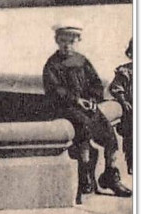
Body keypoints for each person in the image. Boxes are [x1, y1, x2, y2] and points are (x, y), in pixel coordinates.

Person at [42, 23, 131, 198]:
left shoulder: (82, 61)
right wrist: (76, 100)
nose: (67, 45)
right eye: (63, 41)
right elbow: (54, 89)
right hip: (66, 109)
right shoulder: (52, 65)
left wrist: (92, 99)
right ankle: (85, 178)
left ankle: (110, 175)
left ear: (78, 41)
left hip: (87, 107)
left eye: (71, 41)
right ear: (56, 41)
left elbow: (96, 83)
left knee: (110, 138)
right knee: (83, 135)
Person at [109, 38, 133, 175]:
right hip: (132, 111)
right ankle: (132, 164)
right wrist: (123, 101)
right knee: (131, 139)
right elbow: (116, 88)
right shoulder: (126, 71)